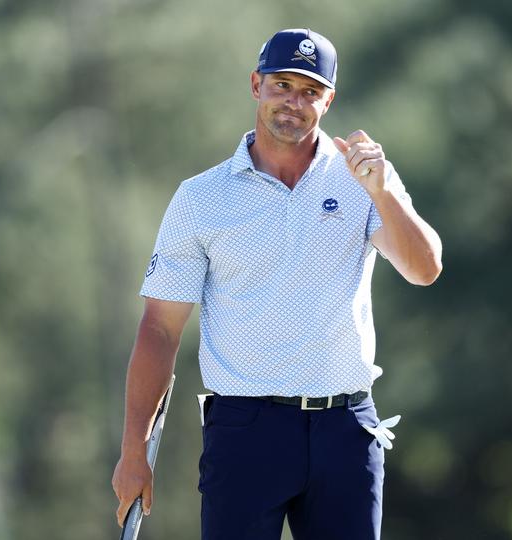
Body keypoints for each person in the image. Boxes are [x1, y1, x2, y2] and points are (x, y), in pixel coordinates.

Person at [112, 28, 443, 540]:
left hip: (345, 430)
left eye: (310, 91)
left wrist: (382, 194)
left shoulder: (365, 179)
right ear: (255, 85)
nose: (294, 102)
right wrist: (134, 452)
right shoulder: (201, 198)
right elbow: (160, 329)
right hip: (244, 431)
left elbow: (425, 269)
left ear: (328, 100)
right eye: (282, 85)